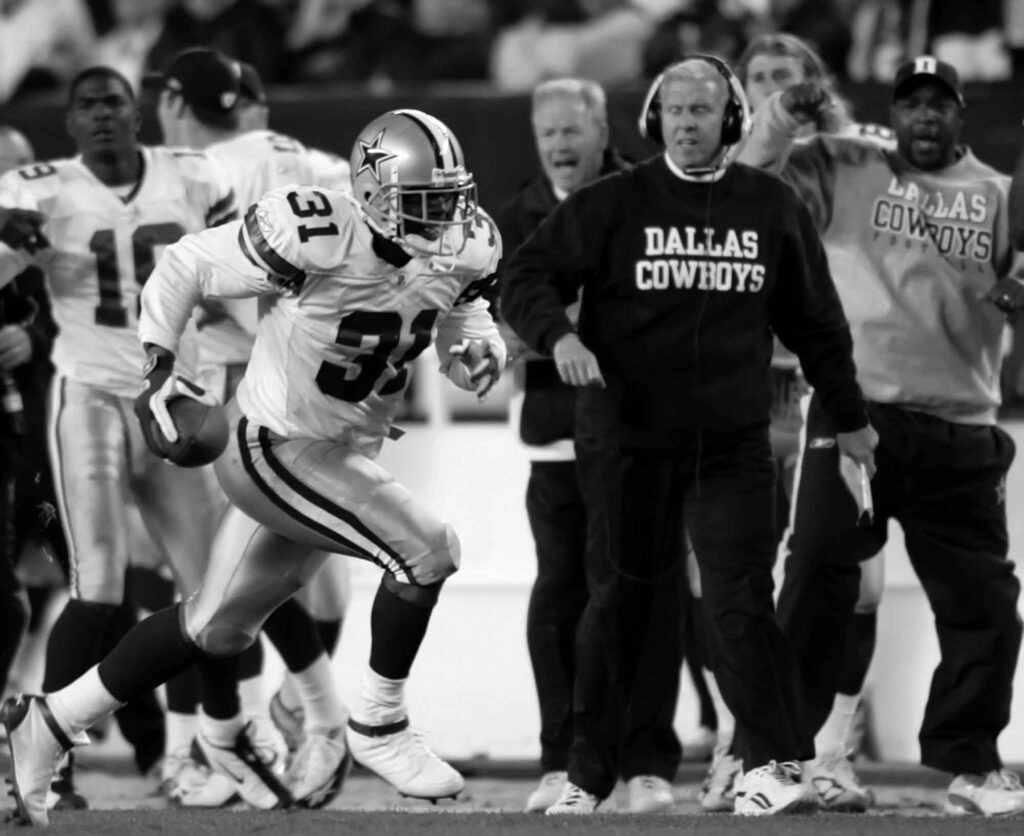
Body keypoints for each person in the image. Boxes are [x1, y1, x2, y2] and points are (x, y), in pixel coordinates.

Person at [1, 107, 505, 827]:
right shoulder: (315, 232)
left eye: (451, 200)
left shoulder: (470, 243)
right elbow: (184, 265)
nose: (444, 221)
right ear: (371, 192)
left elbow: (461, 310)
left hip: (344, 450)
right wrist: (159, 363)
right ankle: (380, 723)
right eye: (424, 204)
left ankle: (45, 725)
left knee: (214, 629)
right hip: (275, 445)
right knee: (427, 552)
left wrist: (477, 348)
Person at [501, 54, 876, 817]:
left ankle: (774, 765)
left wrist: (855, 420)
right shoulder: (613, 202)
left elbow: (820, 326)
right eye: (673, 111)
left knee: (739, 600)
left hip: (729, 445)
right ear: (653, 120)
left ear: (731, 118)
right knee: (616, 606)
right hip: (627, 440)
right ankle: (586, 774)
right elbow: (526, 277)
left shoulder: (770, 207)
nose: (685, 123)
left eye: (701, 111)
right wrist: (558, 338)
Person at [739, 55, 1024, 817]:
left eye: (939, 104)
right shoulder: (844, 165)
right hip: (857, 416)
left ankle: (973, 766)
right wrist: (778, 115)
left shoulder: (998, 196)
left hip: (961, 427)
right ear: (893, 114)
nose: (924, 116)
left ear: (959, 114)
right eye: (912, 104)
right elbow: (750, 179)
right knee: (814, 585)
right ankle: (777, 761)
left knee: (987, 606)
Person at [0, 66, 238, 810]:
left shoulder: (197, 177)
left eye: (113, 103)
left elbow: (252, 279)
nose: (101, 114)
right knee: (97, 582)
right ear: (68, 124)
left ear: (138, 115)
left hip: (175, 400)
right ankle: (50, 765)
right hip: (93, 396)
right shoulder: (35, 188)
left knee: (213, 599)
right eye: (86, 105)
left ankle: (196, 757)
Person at [146, 45, 356, 783]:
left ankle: (219, 740)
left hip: (237, 381)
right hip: (333, 388)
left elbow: (185, 275)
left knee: (214, 573)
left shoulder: (200, 169)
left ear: (178, 104)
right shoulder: (326, 165)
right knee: (305, 575)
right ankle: (280, 723)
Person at [696, 32, 892, 814]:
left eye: (789, 77)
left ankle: (833, 752)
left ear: (817, 86)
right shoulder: (720, 170)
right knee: (731, 578)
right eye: (761, 79)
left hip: (828, 391)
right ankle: (735, 750)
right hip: (743, 393)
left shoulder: (858, 164)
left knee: (857, 583)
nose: (777, 88)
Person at [494, 77, 685, 815]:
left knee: (648, 595)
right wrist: (582, 324)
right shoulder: (514, 218)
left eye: (572, 130)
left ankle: (647, 761)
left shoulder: (649, 195)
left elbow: (668, 304)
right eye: (548, 133)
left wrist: (553, 323)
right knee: (562, 597)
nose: (560, 146)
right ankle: (563, 759)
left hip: (645, 431)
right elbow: (500, 327)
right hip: (556, 439)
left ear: (603, 129)